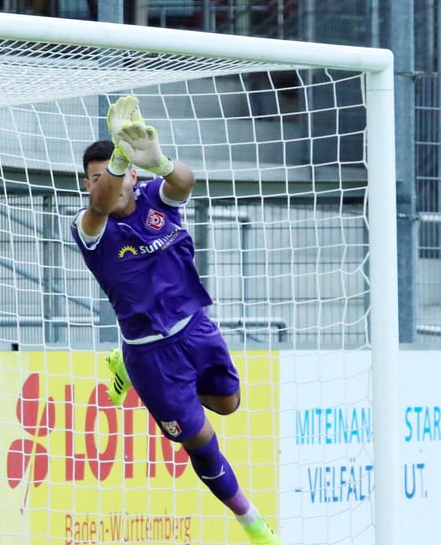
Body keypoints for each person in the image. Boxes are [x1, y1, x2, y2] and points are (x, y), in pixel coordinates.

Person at [69, 95, 282, 545]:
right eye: (96, 178)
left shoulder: (154, 198)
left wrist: (160, 162)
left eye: (117, 172)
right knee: (200, 441)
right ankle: (252, 522)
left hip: (196, 328)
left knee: (229, 404)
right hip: (152, 355)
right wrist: (119, 158)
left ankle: (127, 371)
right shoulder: (90, 227)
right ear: (88, 185)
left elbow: (185, 183)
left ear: (134, 175)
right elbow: (103, 201)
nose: (107, 184)